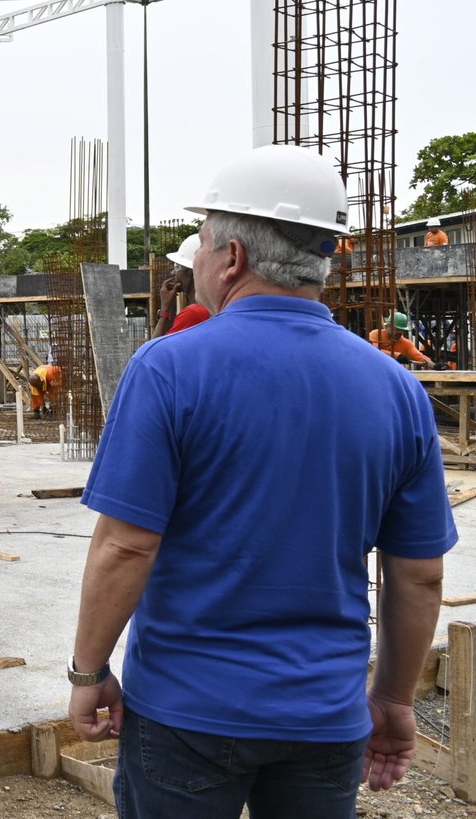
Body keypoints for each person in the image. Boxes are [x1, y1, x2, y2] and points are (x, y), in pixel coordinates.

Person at [69, 144, 455, 818]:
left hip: (187, 712)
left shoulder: (169, 370)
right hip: (323, 715)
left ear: (233, 257)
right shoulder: (396, 389)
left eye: (205, 242)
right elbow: (418, 574)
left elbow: (125, 546)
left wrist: (89, 671)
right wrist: (393, 699)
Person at [152, 234, 210, 338]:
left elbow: (153, 351)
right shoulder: (214, 307)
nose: (172, 272)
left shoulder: (193, 313)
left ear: (191, 272)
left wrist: (165, 310)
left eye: (177, 267)